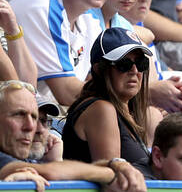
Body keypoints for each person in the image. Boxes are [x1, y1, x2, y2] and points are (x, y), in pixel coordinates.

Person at [0, 78, 149, 192]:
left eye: (35, 117)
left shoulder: (27, 156)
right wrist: (111, 173)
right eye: (18, 115)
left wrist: (115, 165)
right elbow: (50, 174)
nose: (31, 127)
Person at [13, 0, 116, 106]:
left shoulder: (90, 19)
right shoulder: (41, 7)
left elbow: (95, 81)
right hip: (16, 112)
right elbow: (67, 94)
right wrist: (147, 93)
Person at [60, 28, 154, 172]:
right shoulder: (101, 109)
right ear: (99, 69)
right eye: (124, 64)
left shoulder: (128, 113)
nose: (135, 71)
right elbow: (113, 178)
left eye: (141, 63)